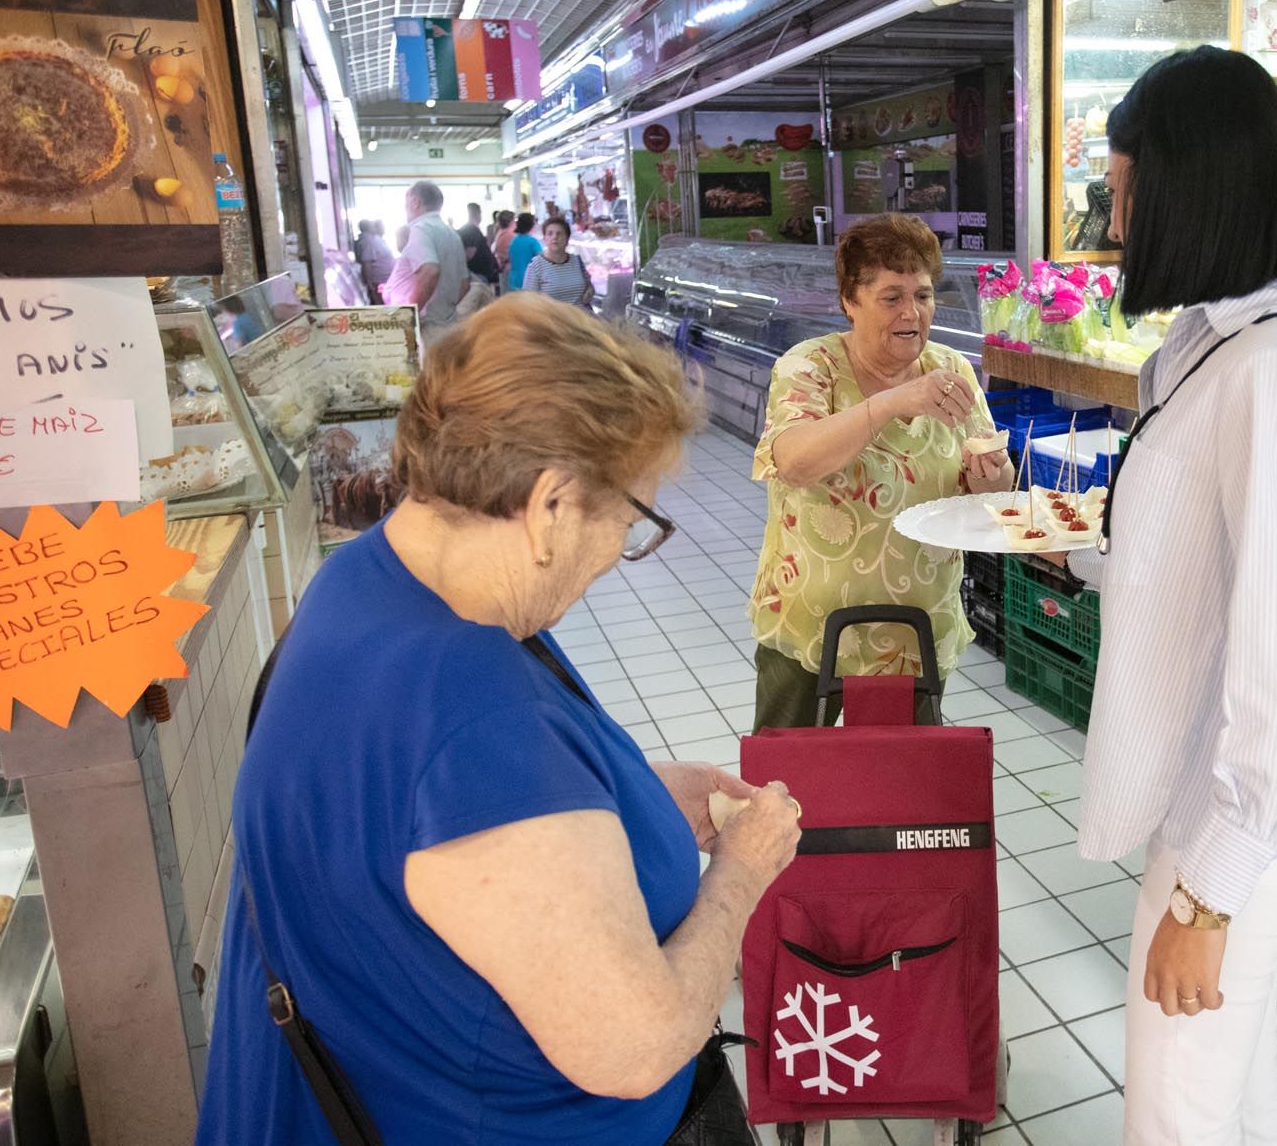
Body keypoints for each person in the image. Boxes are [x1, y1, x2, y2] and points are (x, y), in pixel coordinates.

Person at [197, 297, 801, 1144]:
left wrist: (633, 798)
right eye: (629, 521)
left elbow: (417, 838)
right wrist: (742, 869)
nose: (617, 556)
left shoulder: (363, 584)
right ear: (551, 504)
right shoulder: (473, 717)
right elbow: (637, 1047)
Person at [1043, 46, 1277, 1143]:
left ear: (1191, 191)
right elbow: (1204, 578)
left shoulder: (1274, 376)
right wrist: (1076, 551)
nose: (1114, 216)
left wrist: (1207, 897)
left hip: (1229, 825)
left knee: (1175, 1116)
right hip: (1215, 802)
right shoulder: (1206, 351)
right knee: (1233, 1096)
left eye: (1124, 189)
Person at [748, 214, 1013, 730]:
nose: (912, 312)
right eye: (892, 297)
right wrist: (893, 401)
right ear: (851, 301)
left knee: (899, 788)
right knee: (787, 781)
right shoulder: (810, 367)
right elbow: (796, 462)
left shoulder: (952, 369)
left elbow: (990, 493)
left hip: (915, 629)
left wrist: (990, 473)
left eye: (924, 294)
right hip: (813, 622)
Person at [382, 181, 471, 334]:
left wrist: (410, 315)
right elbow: (464, 284)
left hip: (425, 329)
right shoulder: (451, 233)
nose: (405, 209)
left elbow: (430, 271)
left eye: (405, 204)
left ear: (415, 202)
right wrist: (444, 307)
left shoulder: (421, 229)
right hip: (446, 324)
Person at [523, 217, 595, 309]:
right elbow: (528, 302)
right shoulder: (536, 265)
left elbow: (588, 286)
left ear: (567, 239)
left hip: (581, 320)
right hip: (553, 321)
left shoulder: (577, 261)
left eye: (559, 234)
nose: (555, 237)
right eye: (550, 234)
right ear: (545, 239)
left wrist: (590, 291)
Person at [459, 201, 502, 291]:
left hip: (479, 275)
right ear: (478, 214)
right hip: (477, 276)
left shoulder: (469, 230)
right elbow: (468, 254)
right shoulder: (471, 230)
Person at [356, 219, 396, 302]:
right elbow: (367, 263)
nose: (375, 227)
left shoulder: (375, 238)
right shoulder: (368, 240)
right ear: (368, 228)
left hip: (386, 281)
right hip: (379, 282)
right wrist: (370, 284)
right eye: (372, 225)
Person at [506, 212, 543, 291]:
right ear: (532, 225)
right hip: (529, 281)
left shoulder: (513, 241)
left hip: (514, 281)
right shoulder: (533, 242)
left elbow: (510, 258)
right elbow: (542, 260)